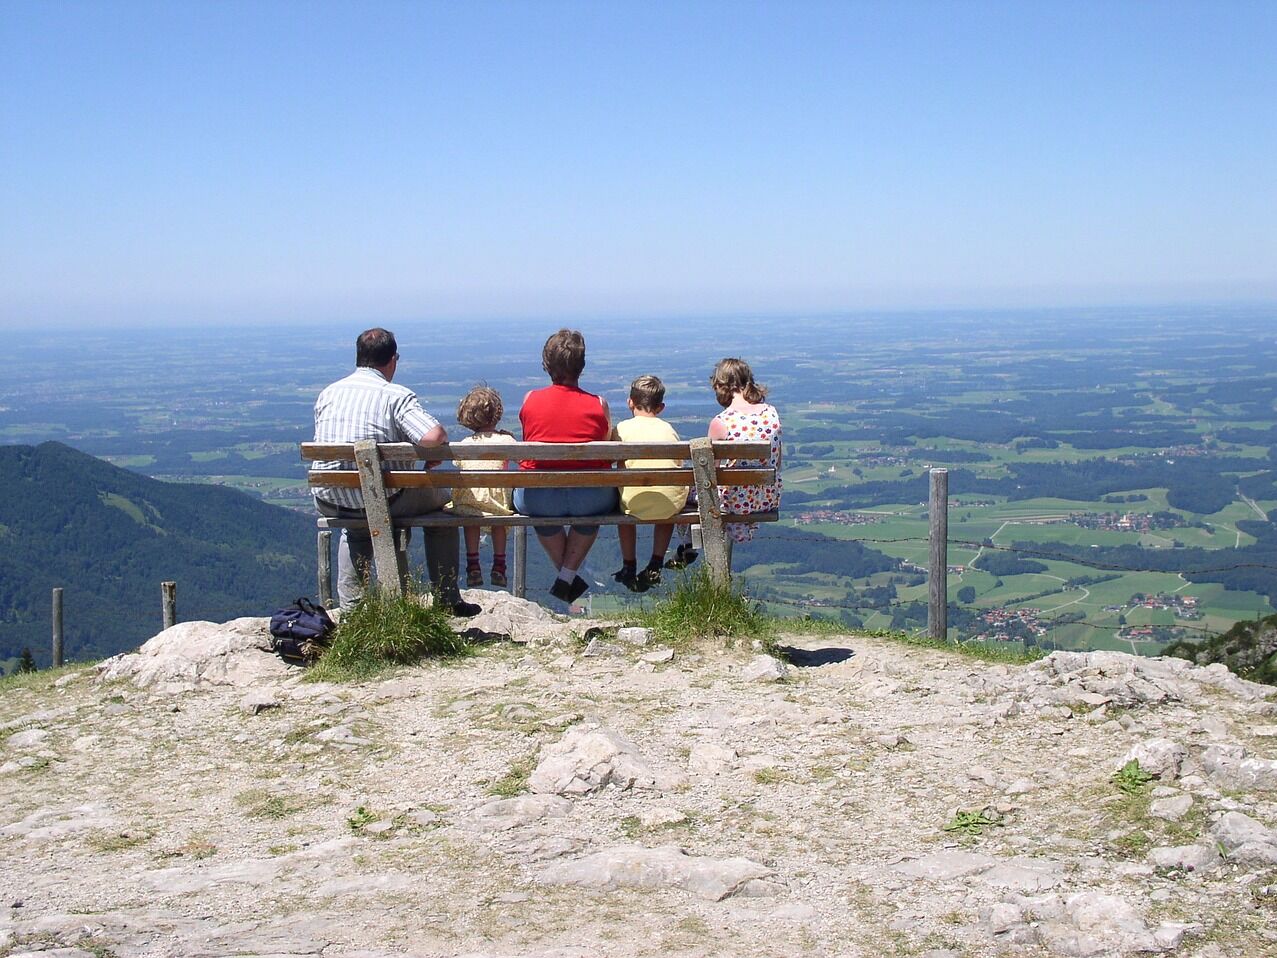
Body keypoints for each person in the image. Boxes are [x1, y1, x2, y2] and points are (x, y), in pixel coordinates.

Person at [311, 328, 479, 616]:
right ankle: (447, 599)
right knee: (442, 510)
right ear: (392, 360)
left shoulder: (329, 393)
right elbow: (432, 435)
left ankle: (352, 610)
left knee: (356, 527)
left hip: (330, 498)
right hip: (385, 499)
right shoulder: (395, 396)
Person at [515, 329, 615, 604]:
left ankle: (566, 576)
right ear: (581, 366)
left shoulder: (530, 400)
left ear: (547, 364)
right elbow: (604, 445)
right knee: (590, 516)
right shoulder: (598, 404)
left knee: (541, 515)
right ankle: (567, 575)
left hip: (539, 495)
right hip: (592, 497)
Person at [611, 375, 689, 592]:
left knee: (623, 511)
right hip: (669, 504)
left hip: (633, 504)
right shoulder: (669, 430)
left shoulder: (621, 429)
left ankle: (629, 564)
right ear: (661, 407)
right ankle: (655, 562)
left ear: (630, 402)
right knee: (667, 496)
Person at [708, 358, 782, 542]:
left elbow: (708, 474)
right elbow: (777, 460)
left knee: (684, 492)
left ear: (719, 385)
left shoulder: (721, 421)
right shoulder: (771, 413)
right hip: (767, 497)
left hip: (736, 501)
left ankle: (688, 546)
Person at [450, 385, 514, 589]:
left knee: (472, 519)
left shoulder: (464, 443)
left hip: (468, 501)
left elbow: (457, 465)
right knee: (499, 523)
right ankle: (500, 565)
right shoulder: (506, 440)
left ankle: (473, 565)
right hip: (497, 503)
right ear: (496, 414)